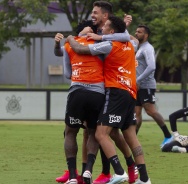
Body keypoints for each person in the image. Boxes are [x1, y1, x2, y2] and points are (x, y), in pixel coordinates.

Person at [67, 15, 152, 184]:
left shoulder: (108, 45)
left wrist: (70, 37)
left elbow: (81, 49)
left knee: (100, 133)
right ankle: (144, 178)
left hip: (116, 92)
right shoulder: (132, 44)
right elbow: (131, 37)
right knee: (131, 136)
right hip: (131, 94)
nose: (102, 28)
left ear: (112, 31)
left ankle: (119, 171)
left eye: (105, 26)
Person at [55, 19, 136, 184]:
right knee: (95, 132)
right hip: (102, 92)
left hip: (84, 91)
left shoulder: (76, 44)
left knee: (76, 132)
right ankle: (89, 170)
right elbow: (128, 40)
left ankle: (73, 175)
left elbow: (67, 72)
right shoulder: (106, 44)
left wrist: (68, 40)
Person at [133, 25, 173, 147]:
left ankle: (168, 135)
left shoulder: (147, 48)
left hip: (146, 85)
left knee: (150, 111)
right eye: (136, 31)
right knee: (137, 112)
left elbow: (152, 67)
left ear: (146, 35)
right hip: (139, 86)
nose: (136, 33)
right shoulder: (140, 48)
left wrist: (138, 80)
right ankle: (133, 139)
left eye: (139, 32)